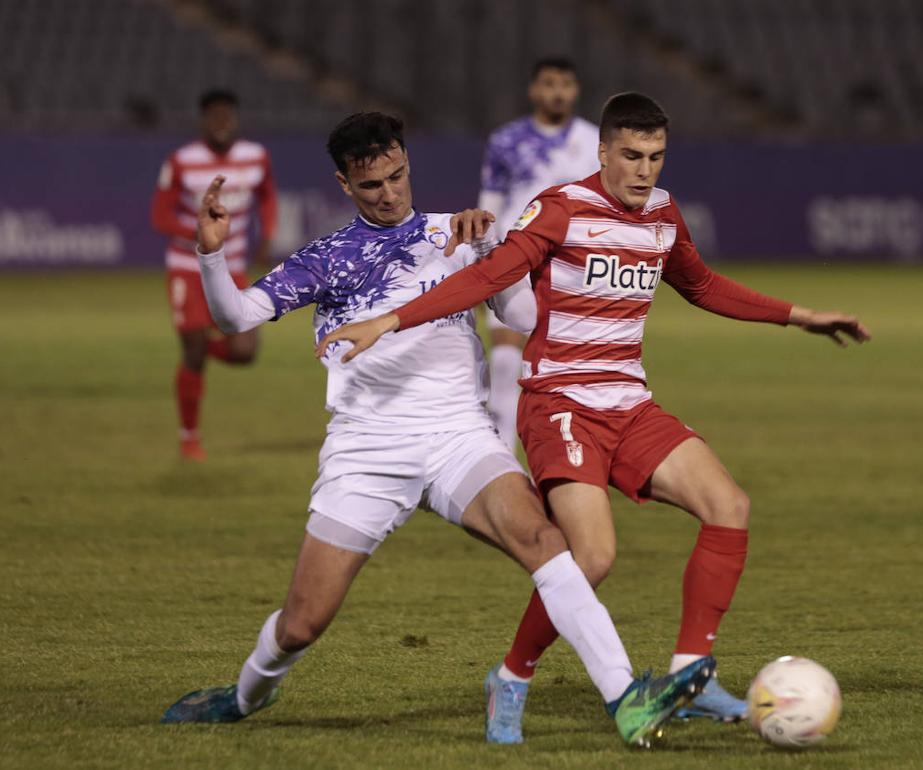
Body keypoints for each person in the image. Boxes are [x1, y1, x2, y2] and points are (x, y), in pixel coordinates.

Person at [316, 93, 871, 743]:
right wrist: (390, 317)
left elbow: (704, 285)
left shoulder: (663, 215)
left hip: (629, 404)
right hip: (560, 406)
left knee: (730, 506)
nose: (644, 171)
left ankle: (689, 675)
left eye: (656, 157)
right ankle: (512, 676)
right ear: (603, 152)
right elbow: (493, 273)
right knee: (594, 556)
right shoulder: (560, 209)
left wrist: (801, 317)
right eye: (631, 156)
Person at [159, 113, 713, 749]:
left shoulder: (458, 233)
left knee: (543, 540)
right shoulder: (326, 258)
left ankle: (627, 699)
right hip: (367, 449)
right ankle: (244, 694)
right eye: (372, 186)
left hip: (458, 437)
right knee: (303, 623)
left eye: (398, 176)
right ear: (344, 185)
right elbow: (232, 319)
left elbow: (523, 316)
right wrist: (210, 254)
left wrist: (499, 252)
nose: (390, 193)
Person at [477, 57, 601, 448]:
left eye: (565, 84)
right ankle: (501, 459)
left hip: (573, 268)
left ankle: (571, 451)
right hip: (517, 257)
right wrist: (488, 257)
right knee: (504, 359)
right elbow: (490, 205)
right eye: (549, 84)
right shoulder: (505, 141)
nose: (557, 92)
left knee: (572, 369)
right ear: (534, 90)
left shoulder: (596, 142)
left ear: (576, 90)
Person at [151, 89, 277, 461]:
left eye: (227, 115)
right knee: (192, 351)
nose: (222, 122)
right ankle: (189, 436)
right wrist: (199, 232)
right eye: (214, 116)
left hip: (232, 267)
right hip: (188, 267)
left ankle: (199, 343)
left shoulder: (256, 156)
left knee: (244, 352)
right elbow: (160, 215)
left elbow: (267, 195)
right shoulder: (182, 161)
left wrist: (267, 232)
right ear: (203, 120)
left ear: (235, 119)